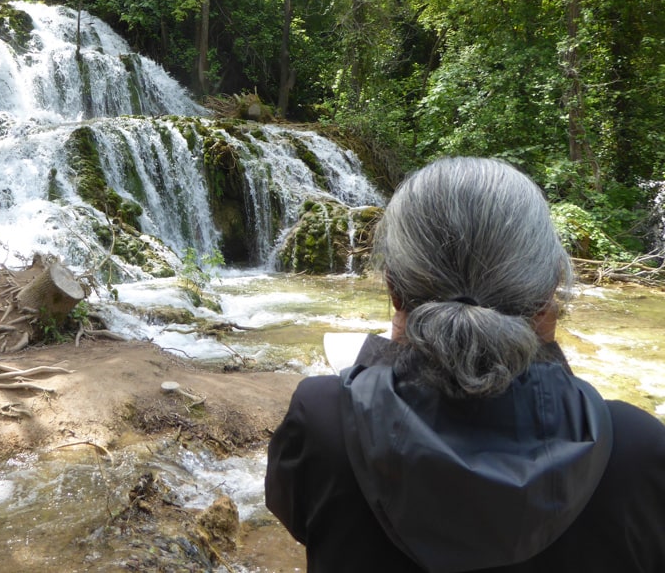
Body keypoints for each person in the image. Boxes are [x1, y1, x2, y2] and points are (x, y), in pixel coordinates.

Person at [265, 156, 665, 572]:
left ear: (394, 291)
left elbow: (300, 517)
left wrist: (380, 365)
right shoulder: (637, 449)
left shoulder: (323, 423)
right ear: (549, 295)